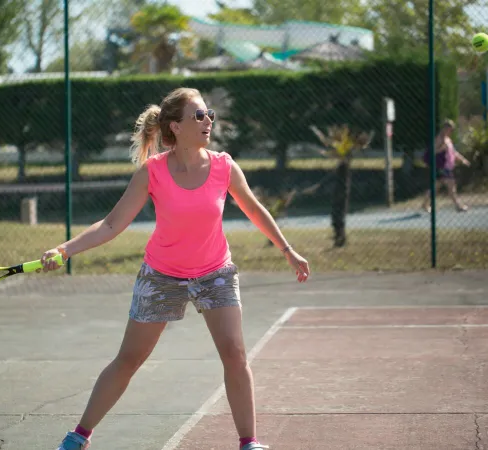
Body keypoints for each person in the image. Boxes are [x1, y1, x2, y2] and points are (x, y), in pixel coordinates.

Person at [40, 87, 311, 450]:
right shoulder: (151, 173)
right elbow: (110, 225)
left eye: (209, 114)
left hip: (215, 272)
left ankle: (249, 443)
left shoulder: (223, 166)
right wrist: (65, 249)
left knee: (234, 352)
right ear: (175, 127)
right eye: (198, 115)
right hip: (162, 275)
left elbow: (253, 208)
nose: (208, 121)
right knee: (130, 358)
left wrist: (288, 250)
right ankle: (79, 436)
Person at [422, 119, 471, 213]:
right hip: (442, 167)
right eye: (450, 129)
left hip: (448, 167)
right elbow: (433, 152)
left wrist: (463, 159)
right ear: (445, 128)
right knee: (451, 187)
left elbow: (453, 152)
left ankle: (425, 204)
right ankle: (458, 206)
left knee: (435, 188)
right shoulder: (439, 139)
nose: (451, 132)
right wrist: (441, 148)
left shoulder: (448, 139)